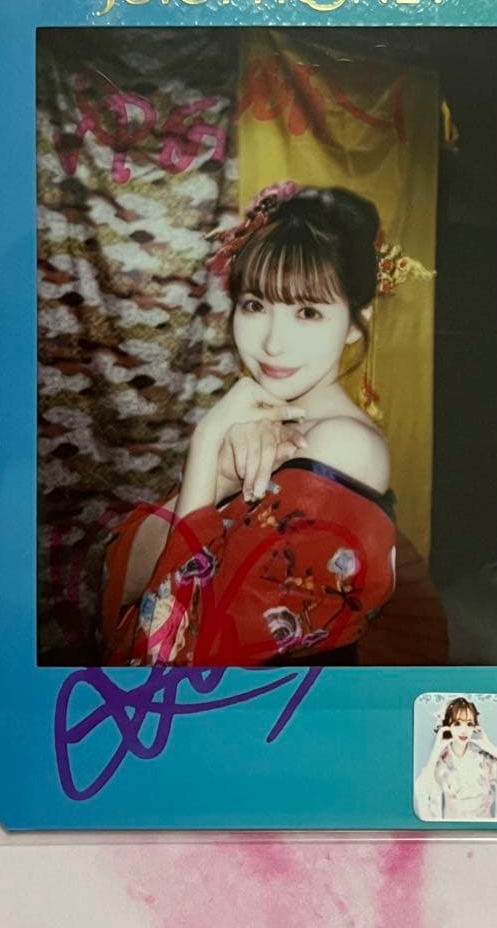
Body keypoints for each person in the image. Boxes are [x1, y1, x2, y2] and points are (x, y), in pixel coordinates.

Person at [100, 183, 414, 665]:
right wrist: (220, 474)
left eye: (307, 312)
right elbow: (116, 577)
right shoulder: (260, 420)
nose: (272, 342)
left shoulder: (342, 446)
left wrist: (207, 442)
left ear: (356, 321)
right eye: (255, 305)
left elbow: (182, 644)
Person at [414, 697, 497, 821]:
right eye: (457, 724)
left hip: (484, 827)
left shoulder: (485, 761)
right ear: (448, 727)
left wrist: (489, 747)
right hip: (452, 829)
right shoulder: (440, 765)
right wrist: (436, 750)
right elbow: (421, 791)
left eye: (469, 724)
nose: (464, 730)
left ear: (475, 727)